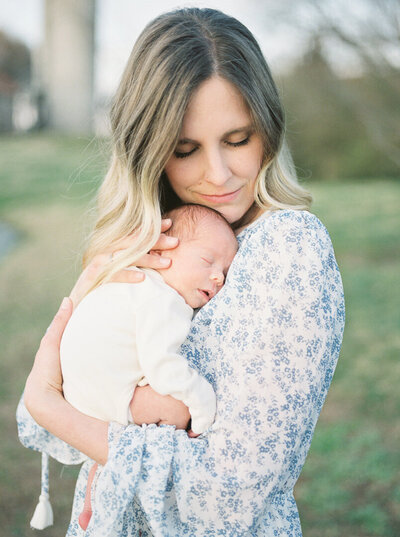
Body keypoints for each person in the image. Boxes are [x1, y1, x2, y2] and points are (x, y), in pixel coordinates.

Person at [18, 7, 345, 537]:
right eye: (185, 150)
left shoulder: (289, 250)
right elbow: (46, 430)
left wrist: (50, 404)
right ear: (149, 153)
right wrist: (88, 290)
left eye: (238, 139)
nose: (218, 174)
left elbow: (223, 499)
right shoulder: (156, 241)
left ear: (268, 126)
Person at [60, 203, 237, 529]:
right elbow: (163, 367)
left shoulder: (131, 281)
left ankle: (91, 501)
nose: (218, 276)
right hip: (102, 392)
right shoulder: (164, 300)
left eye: (225, 271)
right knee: (175, 409)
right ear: (161, 251)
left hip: (79, 388)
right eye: (207, 261)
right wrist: (203, 406)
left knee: (115, 437)